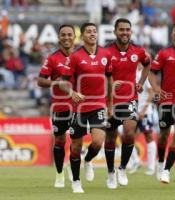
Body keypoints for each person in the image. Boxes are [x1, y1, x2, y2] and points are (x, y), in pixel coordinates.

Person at [59, 22, 112, 193]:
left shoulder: (106, 54)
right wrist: (72, 92)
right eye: (88, 32)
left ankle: (88, 161)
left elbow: (110, 80)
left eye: (94, 31)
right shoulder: (74, 57)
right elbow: (63, 83)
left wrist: (110, 104)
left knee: (97, 142)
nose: (92, 34)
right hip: (79, 107)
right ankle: (76, 181)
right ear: (82, 36)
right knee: (76, 146)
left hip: (99, 104)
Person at [104, 18, 151, 189]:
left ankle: (122, 168)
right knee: (110, 136)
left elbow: (148, 63)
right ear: (115, 32)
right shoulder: (106, 51)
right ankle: (110, 173)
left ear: (131, 32)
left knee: (129, 132)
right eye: (121, 30)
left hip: (130, 98)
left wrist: (141, 82)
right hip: (109, 101)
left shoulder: (138, 51)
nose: (125, 33)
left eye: (127, 30)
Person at [148, 22, 175, 184]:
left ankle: (166, 170)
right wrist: (157, 89)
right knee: (164, 135)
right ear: (172, 34)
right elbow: (152, 73)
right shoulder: (164, 53)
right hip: (166, 100)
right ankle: (160, 163)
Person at [37, 24, 75, 188]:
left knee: (79, 140)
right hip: (60, 106)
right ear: (59, 37)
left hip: (80, 106)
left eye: (69, 34)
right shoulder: (52, 58)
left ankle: (75, 171)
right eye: (63, 35)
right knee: (60, 140)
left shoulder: (82, 56)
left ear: (75, 37)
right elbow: (40, 80)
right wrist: (55, 82)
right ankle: (59, 173)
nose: (66, 37)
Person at [127, 64, 156, 176]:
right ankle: (135, 161)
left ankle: (151, 166)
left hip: (145, 112)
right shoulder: (129, 74)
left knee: (148, 135)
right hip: (132, 110)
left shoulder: (144, 74)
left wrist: (143, 110)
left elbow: (150, 93)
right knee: (127, 135)